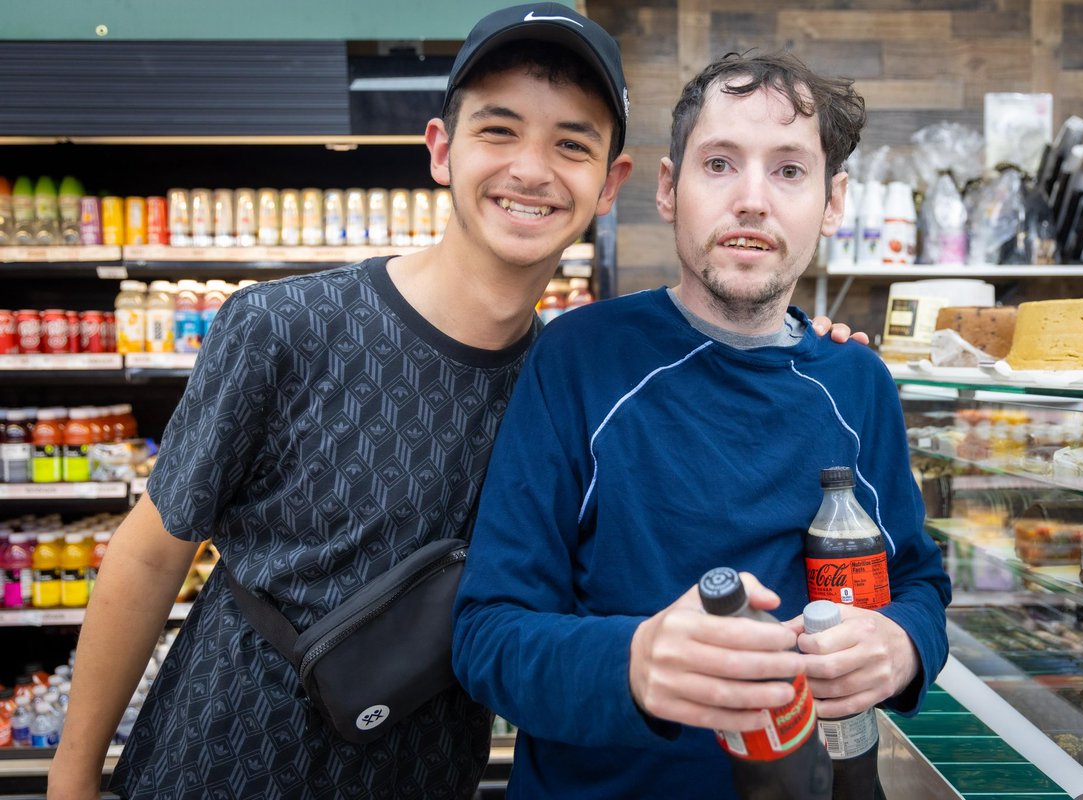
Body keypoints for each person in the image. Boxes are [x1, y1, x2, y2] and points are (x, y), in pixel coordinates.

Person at [46, 7, 859, 799]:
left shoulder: (569, 378)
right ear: (441, 150)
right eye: (498, 130)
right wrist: (72, 775)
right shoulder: (283, 327)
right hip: (222, 761)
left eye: (570, 144)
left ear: (612, 184)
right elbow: (152, 553)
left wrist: (803, 340)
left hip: (428, 774)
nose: (532, 171)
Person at [452, 51, 953, 799]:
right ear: (667, 188)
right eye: (719, 164)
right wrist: (635, 660)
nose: (752, 200)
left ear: (833, 201)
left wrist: (904, 645)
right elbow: (487, 634)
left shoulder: (859, 382)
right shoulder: (580, 358)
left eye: (789, 170)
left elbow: (917, 580)